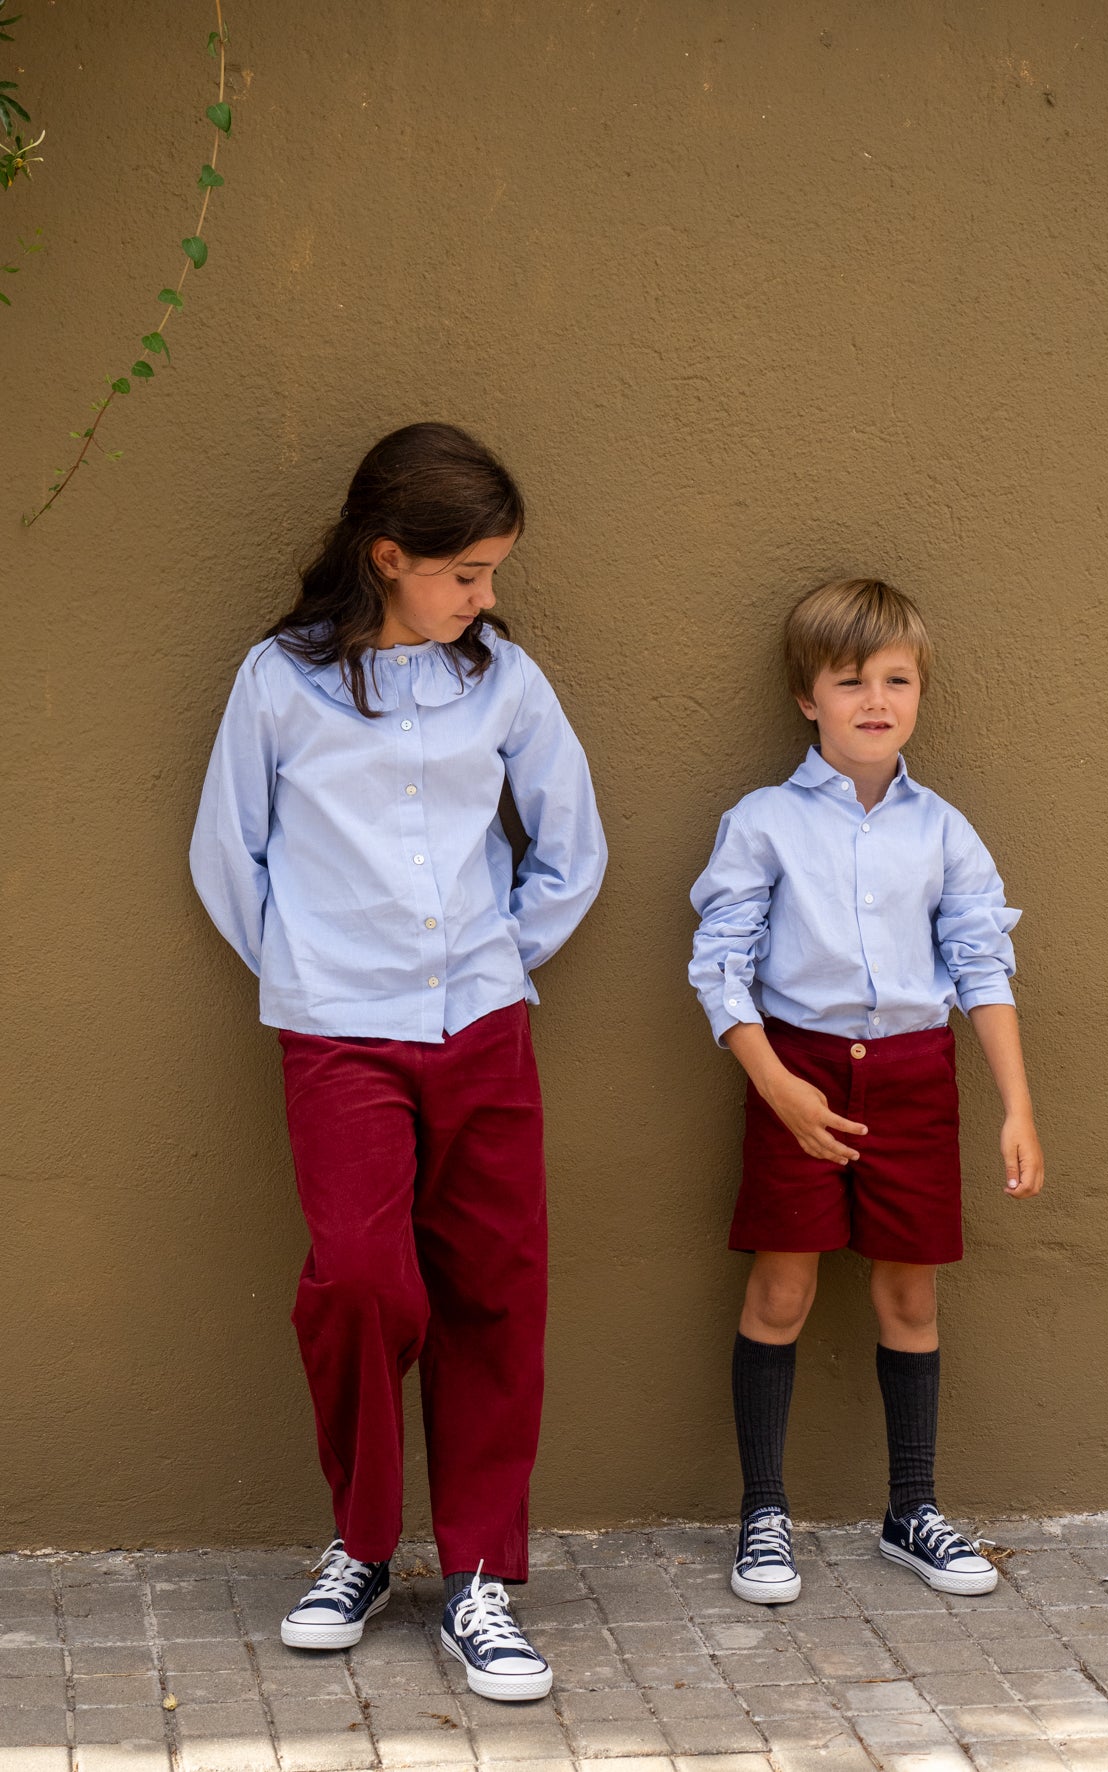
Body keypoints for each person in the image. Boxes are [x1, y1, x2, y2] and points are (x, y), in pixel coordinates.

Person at [190, 422, 606, 1701]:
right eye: (465, 572)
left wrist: (500, 954)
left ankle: (477, 1574)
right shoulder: (278, 682)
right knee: (364, 1284)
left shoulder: (504, 680)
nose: (485, 595)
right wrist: (310, 966)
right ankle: (364, 1543)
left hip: (482, 1021)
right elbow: (227, 852)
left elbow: (572, 843)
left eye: (492, 573)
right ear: (387, 556)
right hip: (338, 1034)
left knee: (495, 1288)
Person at [689, 577, 1044, 1605]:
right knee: (782, 1289)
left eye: (896, 679)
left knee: (907, 1293)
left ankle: (912, 1509)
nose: (875, 699)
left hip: (913, 1077)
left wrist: (1017, 1106)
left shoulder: (943, 830)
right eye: (850, 681)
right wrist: (777, 1087)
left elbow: (980, 963)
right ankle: (763, 1512)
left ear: (920, 692)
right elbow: (721, 964)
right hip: (793, 1069)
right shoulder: (762, 821)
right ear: (808, 697)